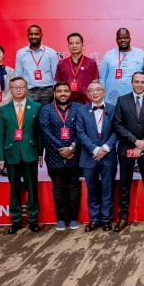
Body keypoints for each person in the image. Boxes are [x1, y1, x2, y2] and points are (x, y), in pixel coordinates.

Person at [113, 71, 144, 231]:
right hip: (126, 147)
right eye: (137, 81)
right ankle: (123, 217)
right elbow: (118, 124)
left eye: (142, 82)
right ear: (132, 82)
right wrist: (135, 141)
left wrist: (143, 143)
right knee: (125, 184)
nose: (140, 84)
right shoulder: (122, 100)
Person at [0, 76, 43, 233]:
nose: (18, 89)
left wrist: (40, 153)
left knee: (32, 188)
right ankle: (15, 220)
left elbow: (39, 132)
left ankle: (33, 219)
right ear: (10, 89)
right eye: (15, 87)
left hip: (30, 152)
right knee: (14, 189)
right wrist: (1, 157)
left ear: (26, 88)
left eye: (21, 87)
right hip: (11, 154)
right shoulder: (3, 110)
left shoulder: (36, 107)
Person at [39, 82, 81, 231]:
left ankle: (73, 217)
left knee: (74, 188)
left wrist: (71, 148)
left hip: (74, 156)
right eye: (59, 91)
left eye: (66, 91)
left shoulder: (78, 108)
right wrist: (61, 149)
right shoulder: (46, 109)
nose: (63, 94)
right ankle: (61, 218)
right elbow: (46, 132)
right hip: (54, 157)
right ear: (54, 93)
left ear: (70, 93)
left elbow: (81, 131)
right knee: (58, 189)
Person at [76, 82, 117, 232]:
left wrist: (105, 148)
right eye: (91, 90)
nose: (95, 93)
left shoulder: (113, 109)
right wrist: (94, 149)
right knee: (92, 190)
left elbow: (117, 131)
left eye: (98, 90)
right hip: (89, 156)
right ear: (88, 94)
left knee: (107, 189)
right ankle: (94, 219)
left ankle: (106, 219)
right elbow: (80, 133)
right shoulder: (81, 110)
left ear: (104, 92)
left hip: (108, 156)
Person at [99, 28, 144, 106]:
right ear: (116, 39)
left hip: (135, 100)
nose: (123, 40)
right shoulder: (108, 55)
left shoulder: (141, 54)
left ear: (130, 38)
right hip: (112, 101)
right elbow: (102, 78)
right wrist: (102, 97)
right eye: (120, 38)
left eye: (125, 37)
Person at [15, 25, 60, 105]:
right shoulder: (20, 53)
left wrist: (56, 93)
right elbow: (18, 76)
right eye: (31, 34)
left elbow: (55, 75)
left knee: (46, 116)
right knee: (30, 117)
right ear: (27, 35)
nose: (33, 36)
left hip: (47, 92)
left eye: (36, 34)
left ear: (41, 35)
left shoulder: (51, 53)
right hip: (29, 91)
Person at [55, 32, 99, 103]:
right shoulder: (61, 63)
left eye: (77, 43)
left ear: (82, 45)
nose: (74, 46)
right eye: (71, 43)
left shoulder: (91, 62)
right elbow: (58, 84)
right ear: (68, 45)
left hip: (86, 102)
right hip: (67, 103)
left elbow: (95, 83)